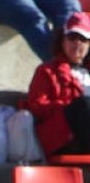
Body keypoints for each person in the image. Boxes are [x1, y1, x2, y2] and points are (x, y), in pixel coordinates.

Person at [26, 11, 90, 157]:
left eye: (83, 39)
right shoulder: (47, 71)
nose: (77, 43)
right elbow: (36, 106)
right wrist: (69, 107)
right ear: (62, 41)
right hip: (61, 137)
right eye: (72, 37)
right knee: (83, 105)